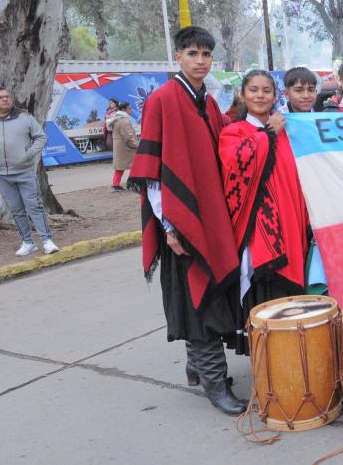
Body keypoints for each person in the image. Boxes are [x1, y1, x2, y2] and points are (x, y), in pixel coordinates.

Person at [129, 26, 251, 416]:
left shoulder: (207, 102)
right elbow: (150, 171)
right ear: (178, 56)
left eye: (206, 55)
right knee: (201, 302)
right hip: (181, 223)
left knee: (208, 293)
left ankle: (197, 367)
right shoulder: (162, 100)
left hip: (211, 217)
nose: (201, 61)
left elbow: (221, 142)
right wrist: (168, 226)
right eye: (193, 53)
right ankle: (215, 384)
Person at [219, 70, 310, 352]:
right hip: (259, 233)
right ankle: (266, 375)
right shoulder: (233, 131)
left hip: (292, 224)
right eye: (254, 90)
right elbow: (238, 161)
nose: (260, 96)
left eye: (267, 91)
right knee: (265, 304)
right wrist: (269, 133)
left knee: (292, 306)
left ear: (275, 95)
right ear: (243, 95)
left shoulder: (287, 131)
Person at [0, 85, 59, 256]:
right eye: (1, 97)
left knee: (35, 207)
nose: (5, 99)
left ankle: (47, 241)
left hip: (24, 172)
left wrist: (28, 155)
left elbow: (41, 137)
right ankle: (27, 242)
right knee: (16, 209)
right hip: (2, 176)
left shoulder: (24, 117)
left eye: (7, 96)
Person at [107, 102, 138, 191]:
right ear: (124, 110)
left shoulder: (117, 118)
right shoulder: (124, 120)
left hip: (120, 147)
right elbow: (128, 136)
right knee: (134, 165)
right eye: (129, 109)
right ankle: (132, 183)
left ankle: (116, 184)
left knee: (120, 167)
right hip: (126, 148)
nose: (131, 111)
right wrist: (136, 145)